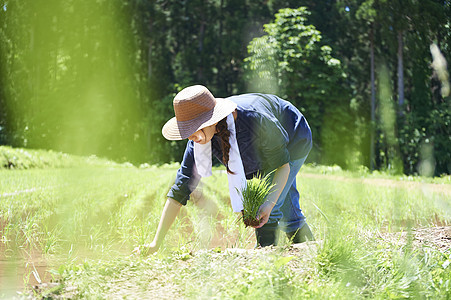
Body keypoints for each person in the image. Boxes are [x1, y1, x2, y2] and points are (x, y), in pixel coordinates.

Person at [141, 85, 314, 254]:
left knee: (270, 207)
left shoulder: (255, 120)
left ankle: (265, 262)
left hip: (293, 137)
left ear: (212, 120)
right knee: (289, 213)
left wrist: (268, 204)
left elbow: (281, 166)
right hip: (260, 156)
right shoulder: (197, 142)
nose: (191, 136)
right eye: (186, 131)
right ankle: (311, 252)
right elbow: (180, 189)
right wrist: (156, 243)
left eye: (194, 129)